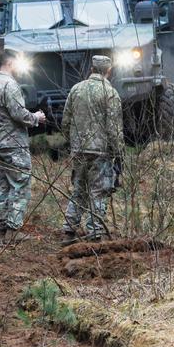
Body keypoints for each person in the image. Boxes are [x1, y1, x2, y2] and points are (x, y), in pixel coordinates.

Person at [0, 48, 46, 241]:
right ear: (10, 62)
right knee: (20, 184)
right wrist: (36, 117)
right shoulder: (10, 85)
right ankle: (13, 231)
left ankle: (1, 231)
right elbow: (19, 114)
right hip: (13, 145)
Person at [61, 55, 124, 241]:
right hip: (100, 153)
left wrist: (73, 142)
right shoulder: (110, 93)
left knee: (78, 190)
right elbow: (114, 129)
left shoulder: (76, 89)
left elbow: (65, 122)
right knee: (99, 192)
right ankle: (95, 234)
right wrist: (119, 153)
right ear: (109, 71)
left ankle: (69, 230)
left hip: (79, 150)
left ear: (91, 69)